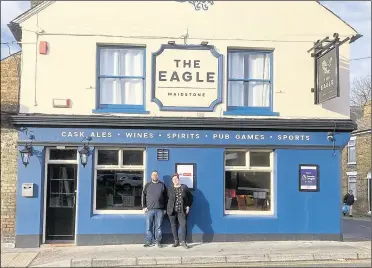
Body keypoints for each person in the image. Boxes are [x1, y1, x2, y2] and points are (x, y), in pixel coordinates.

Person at [167, 173, 193, 249]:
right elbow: (167, 198)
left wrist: (188, 206)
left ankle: (184, 242)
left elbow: (190, 197)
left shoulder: (184, 187)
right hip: (172, 211)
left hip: (182, 210)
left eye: (176, 179)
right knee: (173, 226)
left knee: (183, 225)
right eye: (173, 179)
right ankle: (176, 241)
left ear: (179, 179)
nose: (175, 180)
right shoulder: (170, 188)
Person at [142, 171, 167, 248]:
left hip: (160, 210)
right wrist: (144, 206)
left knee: (158, 227)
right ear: (151, 176)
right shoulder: (147, 185)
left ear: (158, 176)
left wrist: (165, 208)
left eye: (156, 175)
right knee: (149, 226)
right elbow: (143, 195)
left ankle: (158, 242)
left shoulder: (162, 185)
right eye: (153, 175)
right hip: (149, 209)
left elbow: (166, 198)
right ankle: (149, 241)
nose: (155, 176)